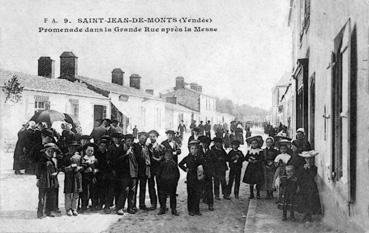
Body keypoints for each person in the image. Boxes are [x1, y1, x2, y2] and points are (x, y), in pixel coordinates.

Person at [179, 140, 204, 216]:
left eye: (195, 149)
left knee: (198, 194)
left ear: (198, 149)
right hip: (190, 178)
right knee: (191, 194)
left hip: (198, 178)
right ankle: (191, 210)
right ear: (189, 149)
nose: (194, 150)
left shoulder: (200, 157)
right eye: (192, 149)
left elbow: (204, 165)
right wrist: (185, 169)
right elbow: (180, 164)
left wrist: (202, 171)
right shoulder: (187, 158)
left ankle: (197, 210)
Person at [36, 143, 61, 218]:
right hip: (43, 180)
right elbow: (38, 170)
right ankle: (40, 213)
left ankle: (49, 211)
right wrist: (38, 179)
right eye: (49, 151)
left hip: (51, 180)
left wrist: (56, 172)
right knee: (42, 197)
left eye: (52, 151)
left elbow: (54, 169)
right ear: (45, 151)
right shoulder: (41, 160)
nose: (51, 153)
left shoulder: (53, 160)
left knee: (50, 196)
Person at [296, 151, 322, 223]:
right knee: (304, 201)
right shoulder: (301, 168)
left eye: (310, 159)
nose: (309, 160)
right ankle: (305, 215)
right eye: (307, 159)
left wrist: (309, 168)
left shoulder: (314, 168)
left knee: (311, 201)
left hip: (311, 186)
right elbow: (299, 177)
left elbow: (311, 176)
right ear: (305, 160)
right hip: (303, 186)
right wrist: (298, 185)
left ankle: (309, 217)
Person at [116, 134, 138, 215]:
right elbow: (117, 160)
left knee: (132, 190)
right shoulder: (121, 148)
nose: (130, 142)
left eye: (131, 141)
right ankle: (119, 208)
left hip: (133, 172)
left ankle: (130, 208)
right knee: (124, 190)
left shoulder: (134, 148)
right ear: (125, 141)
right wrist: (126, 154)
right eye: (128, 140)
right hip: (124, 173)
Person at [62, 141, 83, 216]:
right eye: (70, 147)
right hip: (69, 177)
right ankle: (68, 209)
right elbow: (62, 167)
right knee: (68, 193)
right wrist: (68, 168)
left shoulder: (79, 157)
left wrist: (79, 168)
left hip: (77, 176)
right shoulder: (66, 156)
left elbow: (83, 166)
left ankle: (74, 208)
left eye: (74, 148)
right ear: (68, 148)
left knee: (76, 193)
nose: (72, 149)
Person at [157, 149, 180, 216]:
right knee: (162, 196)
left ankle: (173, 209)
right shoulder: (162, 164)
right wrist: (159, 181)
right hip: (163, 183)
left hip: (171, 183)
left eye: (169, 155)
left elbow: (177, 174)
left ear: (171, 156)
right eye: (166, 155)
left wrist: (175, 182)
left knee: (172, 196)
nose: (167, 156)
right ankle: (162, 208)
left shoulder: (173, 164)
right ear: (164, 156)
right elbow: (158, 173)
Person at [133, 132, 151, 210]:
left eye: (145, 139)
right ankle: (133, 205)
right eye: (142, 138)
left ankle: (142, 204)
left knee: (143, 188)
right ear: (139, 138)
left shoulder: (146, 147)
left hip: (144, 171)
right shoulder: (135, 146)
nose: (143, 140)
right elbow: (134, 157)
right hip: (136, 170)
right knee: (134, 188)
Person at [147, 130, 162, 211]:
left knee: (160, 187)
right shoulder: (147, 146)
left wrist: (154, 159)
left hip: (158, 169)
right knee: (151, 187)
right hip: (150, 169)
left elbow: (161, 158)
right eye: (150, 136)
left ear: (157, 137)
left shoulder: (160, 147)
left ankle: (162, 204)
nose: (152, 138)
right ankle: (153, 203)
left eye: (153, 136)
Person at [81, 143, 98, 212]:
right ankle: (84, 205)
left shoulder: (95, 159)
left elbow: (98, 167)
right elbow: (81, 168)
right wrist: (85, 170)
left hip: (93, 177)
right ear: (85, 151)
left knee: (93, 191)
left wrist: (96, 170)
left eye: (92, 151)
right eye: (89, 150)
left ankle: (94, 205)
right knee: (85, 192)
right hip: (85, 177)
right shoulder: (83, 159)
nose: (90, 152)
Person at [273, 140, 292, 204]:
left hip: (286, 171)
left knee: (285, 185)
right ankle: (279, 198)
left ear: (286, 149)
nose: (283, 150)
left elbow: (289, 164)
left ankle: (285, 198)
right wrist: (278, 163)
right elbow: (275, 164)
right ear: (280, 149)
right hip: (280, 170)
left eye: (284, 149)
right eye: (281, 149)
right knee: (278, 184)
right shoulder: (278, 156)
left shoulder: (288, 156)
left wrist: (284, 164)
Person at [199, 136, 215, 211]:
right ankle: (198, 204)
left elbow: (215, 162)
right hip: (200, 172)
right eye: (204, 143)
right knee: (199, 188)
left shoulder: (211, 152)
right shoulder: (198, 151)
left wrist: (212, 171)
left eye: (207, 143)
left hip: (208, 173)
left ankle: (210, 204)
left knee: (209, 188)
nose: (205, 145)